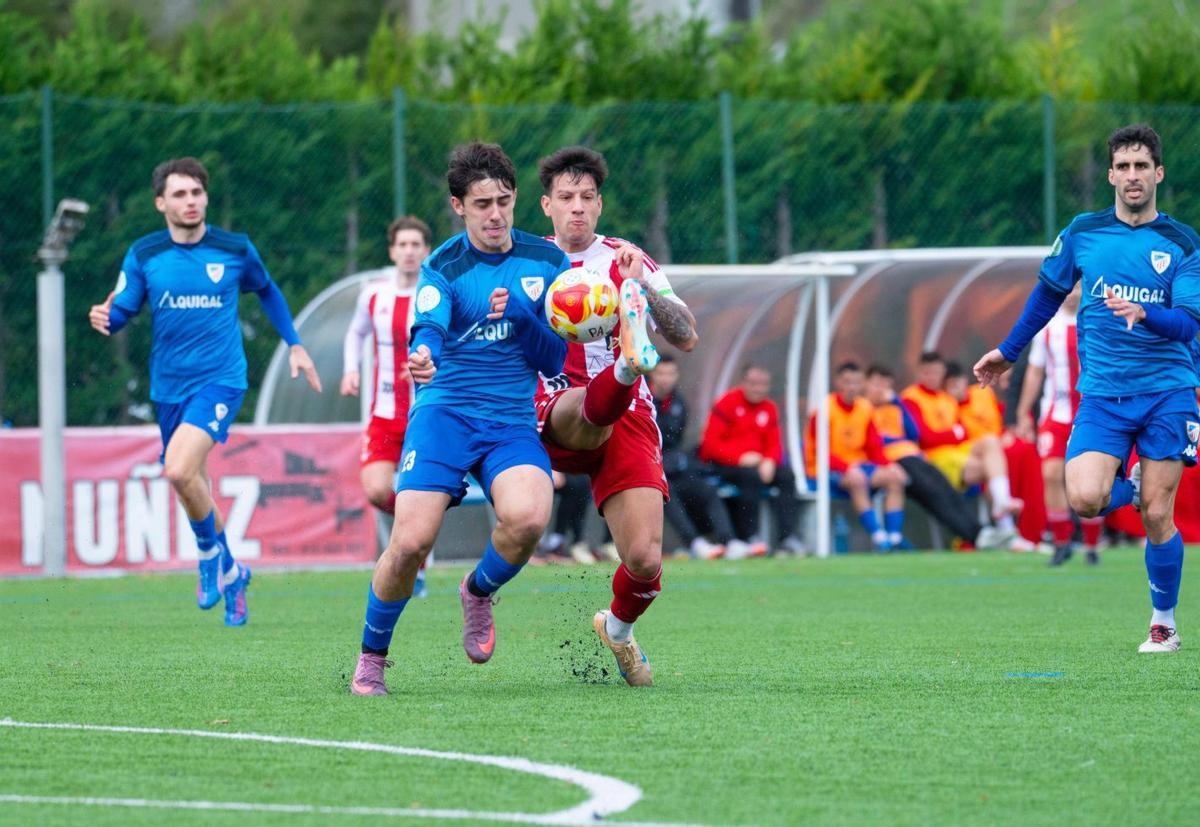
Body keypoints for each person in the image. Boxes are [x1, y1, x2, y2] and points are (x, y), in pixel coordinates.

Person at [350, 142, 570, 694]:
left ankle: (477, 590)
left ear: (516, 197)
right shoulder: (442, 266)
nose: (495, 214)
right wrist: (424, 355)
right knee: (409, 543)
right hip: (444, 414)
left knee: (528, 518)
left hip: (510, 422)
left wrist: (522, 315)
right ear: (458, 206)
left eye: (502, 201)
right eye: (481, 204)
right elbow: (428, 329)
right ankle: (373, 657)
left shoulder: (547, 263)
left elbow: (554, 359)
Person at [975, 124, 1200, 653]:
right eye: (1122, 167)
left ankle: (1162, 623)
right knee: (1084, 497)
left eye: (1141, 166)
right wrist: (1008, 352)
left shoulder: (1182, 242)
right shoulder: (1082, 232)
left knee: (1158, 513)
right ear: (1109, 176)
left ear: (1159, 173)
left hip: (1168, 390)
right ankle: (1138, 484)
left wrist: (1146, 313)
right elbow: (1046, 296)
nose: (1132, 176)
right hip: (1102, 395)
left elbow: (1190, 324)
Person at [88, 156, 321, 627]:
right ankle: (233, 572)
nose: (190, 201)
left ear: (206, 197)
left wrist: (295, 344)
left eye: (196, 193)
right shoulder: (145, 253)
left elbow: (269, 291)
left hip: (221, 379)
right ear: (160, 203)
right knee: (194, 483)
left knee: (177, 470)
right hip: (168, 387)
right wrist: (105, 319)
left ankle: (207, 553)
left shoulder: (234, 249)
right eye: (179, 194)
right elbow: (125, 307)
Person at [534, 145, 700, 687]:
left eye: (586, 197)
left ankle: (619, 631)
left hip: (629, 418)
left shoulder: (627, 258)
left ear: (600, 205)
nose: (576, 207)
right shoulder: (527, 264)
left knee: (647, 561)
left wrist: (645, 288)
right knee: (587, 404)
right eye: (566, 198)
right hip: (556, 404)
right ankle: (628, 366)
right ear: (546, 206)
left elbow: (686, 335)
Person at [341, 216, 431, 594]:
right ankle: (417, 532)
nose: (409, 251)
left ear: (426, 251)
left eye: (416, 245)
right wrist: (350, 370)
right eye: (403, 245)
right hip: (384, 414)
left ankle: (417, 563)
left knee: (422, 492)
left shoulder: (434, 293)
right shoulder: (373, 294)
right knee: (378, 490)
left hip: (425, 413)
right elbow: (356, 332)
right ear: (392, 251)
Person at [864, 365, 1011, 549]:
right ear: (867, 384)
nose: (881, 390)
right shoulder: (863, 408)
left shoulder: (894, 407)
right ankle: (975, 535)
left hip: (914, 456)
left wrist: (896, 403)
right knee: (932, 492)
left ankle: (981, 531)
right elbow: (870, 440)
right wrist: (888, 449)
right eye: (877, 385)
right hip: (893, 460)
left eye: (886, 386)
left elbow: (913, 433)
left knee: (944, 488)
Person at [1013, 284, 1104, 566]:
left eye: (1079, 287)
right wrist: (1023, 411)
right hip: (1057, 412)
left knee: (1095, 477)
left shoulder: (1098, 320)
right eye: (1070, 287)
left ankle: (1091, 545)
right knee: (1051, 473)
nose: (1074, 293)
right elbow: (1035, 371)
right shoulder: (1047, 327)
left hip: (1092, 411)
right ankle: (1062, 542)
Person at [901, 352, 1020, 540]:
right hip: (936, 457)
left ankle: (1002, 505)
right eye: (928, 372)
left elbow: (963, 431)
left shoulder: (946, 397)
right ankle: (1006, 528)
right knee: (991, 468)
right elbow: (925, 437)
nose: (932, 377)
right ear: (920, 373)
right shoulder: (911, 397)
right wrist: (952, 434)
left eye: (936, 372)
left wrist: (953, 434)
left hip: (958, 451)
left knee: (991, 442)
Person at [649, 355, 754, 559]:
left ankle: (729, 541)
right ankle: (695, 543)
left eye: (670, 373)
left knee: (707, 490)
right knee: (666, 494)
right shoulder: (642, 398)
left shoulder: (679, 403)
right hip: (649, 467)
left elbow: (676, 440)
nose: (666, 379)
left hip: (673, 466)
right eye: (661, 373)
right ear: (652, 374)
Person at [698, 364, 805, 555]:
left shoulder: (770, 408)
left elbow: (774, 443)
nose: (758, 388)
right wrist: (739, 457)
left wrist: (770, 460)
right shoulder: (726, 403)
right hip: (727, 465)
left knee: (787, 476)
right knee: (750, 477)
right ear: (743, 383)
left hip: (759, 463)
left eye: (763, 384)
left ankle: (787, 538)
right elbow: (710, 445)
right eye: (754, 383)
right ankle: (750, 537)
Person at [805, 362, 908, 550]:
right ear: (838, 383)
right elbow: (821, 453)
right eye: (847, 382)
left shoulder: (865, 407)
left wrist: (888, 464)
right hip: (827, 469)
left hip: (858, 465)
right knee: (857, 479)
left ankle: (894, 537)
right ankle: (878, 536)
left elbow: (873, 446)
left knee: (896, 478)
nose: (852, 387)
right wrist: (846, 468)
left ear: (862, 384)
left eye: (856, 382)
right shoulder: (824, 409)